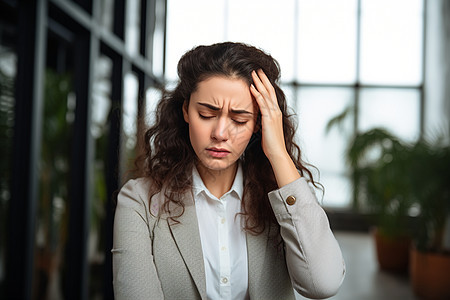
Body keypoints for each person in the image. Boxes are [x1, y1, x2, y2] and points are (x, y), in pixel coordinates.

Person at [112, 42, 345, 300]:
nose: (220, 134)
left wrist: (278, 152)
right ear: (186, 110)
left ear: (259, 124)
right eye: (206, 114)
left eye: (239, 120)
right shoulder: (139, 201)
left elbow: (323, 283)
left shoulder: (280, 198)